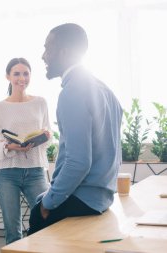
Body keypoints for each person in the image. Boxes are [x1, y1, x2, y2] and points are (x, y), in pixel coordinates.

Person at [28, 23, 123, 235]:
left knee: (37, 211)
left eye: (47, 48)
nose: (43, 56)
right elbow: (113, 152)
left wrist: (48, 203)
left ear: (64, 53)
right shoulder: (106, 91)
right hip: (101, 201)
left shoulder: (72, 92)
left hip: (79, 200)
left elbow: (78, 162)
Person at [0, 57, 51, 244]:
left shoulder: (40, 102)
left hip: (36, 170)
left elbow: (49, 135)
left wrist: (44, 137)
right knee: (13, 229)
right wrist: (9, 146)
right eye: (16, 73)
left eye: (25, 73)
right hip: (7, 172)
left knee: (47, 219)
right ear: (8, 76)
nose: (21, 78)